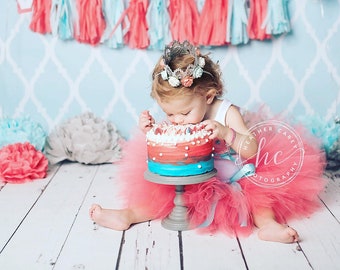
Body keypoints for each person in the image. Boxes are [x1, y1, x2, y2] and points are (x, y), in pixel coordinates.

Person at [90, 40, 326, 243]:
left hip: (234, 177)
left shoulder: (226, 112)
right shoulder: (180, 115)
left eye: (183, 114)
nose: (178, 121)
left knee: (259, 201)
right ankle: (127, 215)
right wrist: (152, 129)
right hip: (194, 176)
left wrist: (226, 133)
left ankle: (268, 226)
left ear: (209, 96)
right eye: (170, 114)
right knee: (164, 197)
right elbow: (171, 142)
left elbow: (252, 148)